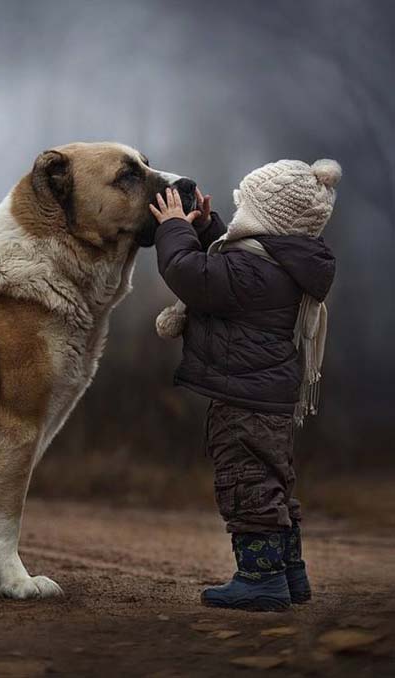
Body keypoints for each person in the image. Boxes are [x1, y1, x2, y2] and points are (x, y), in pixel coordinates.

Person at [150, 159, 340, 611]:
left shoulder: (253, 273)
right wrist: (205, 226)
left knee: (246, 484)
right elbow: (227, 263)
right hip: (268, 398)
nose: (236, 218)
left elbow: (189, 273)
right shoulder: (278, 263)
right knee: (273, 483)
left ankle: (260, 580)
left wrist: (174, 228)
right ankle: (290, 574)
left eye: (244, 209)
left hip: (245, 401)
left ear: (265, 219)